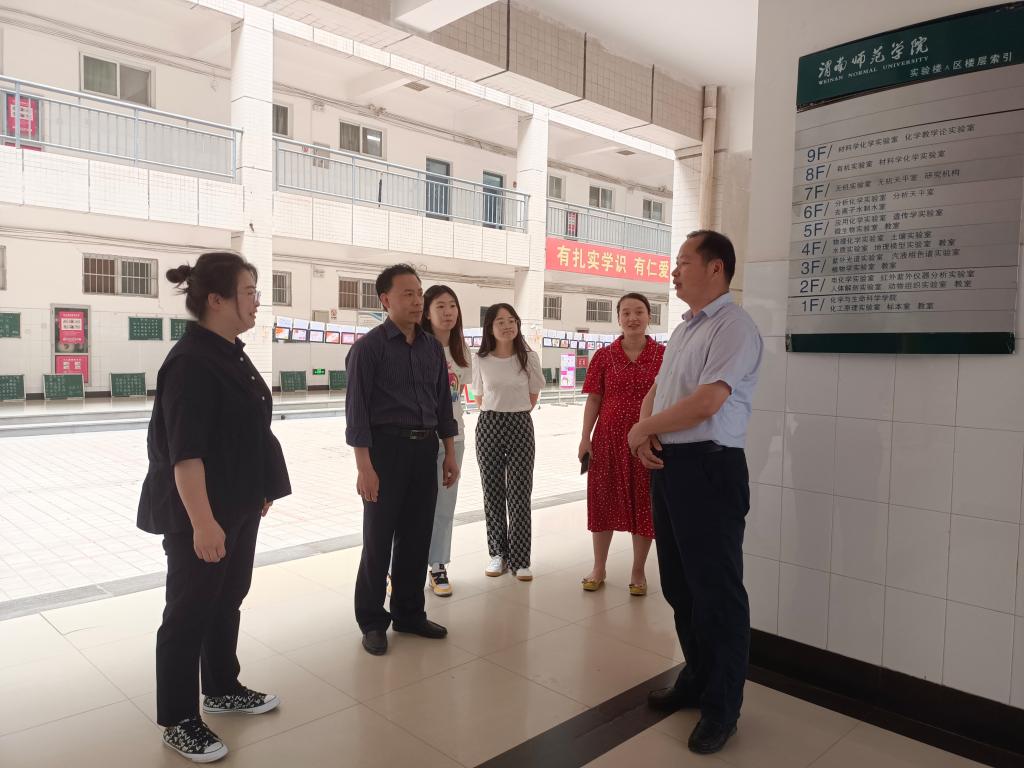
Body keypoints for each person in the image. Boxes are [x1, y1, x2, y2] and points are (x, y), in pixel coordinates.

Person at [138, 251, 291, 764]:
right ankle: (178, 719)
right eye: (249, 292)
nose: (257, 302)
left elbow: (250, 430)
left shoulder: (229, 351)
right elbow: (185, 454)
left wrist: (261, 488)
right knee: (188, 613)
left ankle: (222, 687)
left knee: (227, 598)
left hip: (237, 503)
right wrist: (203, 523)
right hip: (200, 513)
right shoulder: (191, 363)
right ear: (217, 300)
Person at [627, 230, 762, 756]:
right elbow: (659, 389)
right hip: (672, 467)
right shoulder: (685, 327)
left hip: (710, 468)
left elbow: (707, 402)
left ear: (716, 268)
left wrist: (642, 430)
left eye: (683, 262)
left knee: (717, 594)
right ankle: (697, 677)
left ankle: (723, 707)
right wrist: (644, 431)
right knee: (680, 586)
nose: (674, 271)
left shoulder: (734, 327)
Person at [345, 264, 460, 656]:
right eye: (407, 293)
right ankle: (372, 621)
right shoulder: (368, 348)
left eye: (419, 293)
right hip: (385, 451)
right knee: (378, 539)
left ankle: (409, 614)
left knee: (416, 535)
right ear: (385, 300)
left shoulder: (431, 348)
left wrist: (449, 452)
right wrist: (364, 467)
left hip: (425, 449)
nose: (417, 301)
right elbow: (357, 413)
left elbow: (442, 404)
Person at [579, 293, 664, 595]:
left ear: (649, 317)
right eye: (626, 312)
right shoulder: (604, 356)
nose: (632, 318)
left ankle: (638, 571)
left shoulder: (663, 355)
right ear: (618, 318)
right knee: (602, 501)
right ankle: (598, 567)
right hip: (607, 442)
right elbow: (594, 399)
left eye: (639, 312)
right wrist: (585, 437)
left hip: (647, 441)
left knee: (644, 505)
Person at [472, 303, 545, 581]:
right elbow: (479, 397)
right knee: (492, 492)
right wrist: (498, 411)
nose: (507, 326)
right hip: (489, 423)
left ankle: (520, 559)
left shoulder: (528, 357)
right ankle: (498, 554)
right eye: (500, 321)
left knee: (519, 493)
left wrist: (514, 412)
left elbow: (533, 396)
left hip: (520, 424)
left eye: (511, 320)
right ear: (490, 327)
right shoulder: (481, 359)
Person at [420, 285, 472, 596]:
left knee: (444, 506)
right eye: (440, 306)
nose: (448, 312)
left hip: (455, 437)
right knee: (413, 506)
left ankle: (438, 566)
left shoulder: (461, 350)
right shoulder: (418, 346)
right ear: (427, 312)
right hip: (421, 437)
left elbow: (457, 397)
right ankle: (397, 567)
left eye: (452, 305)